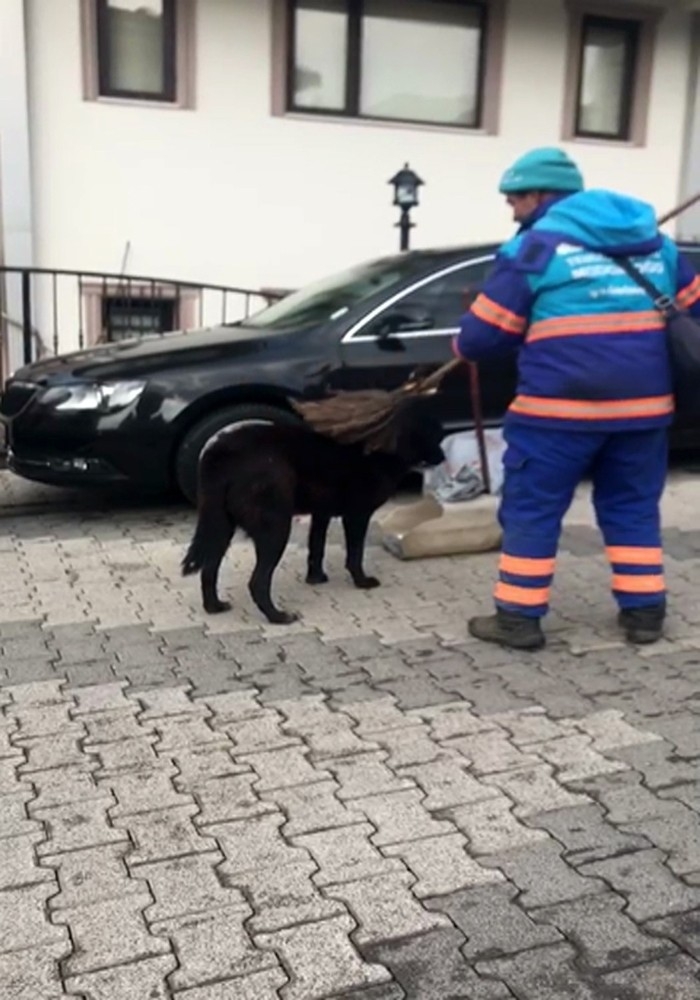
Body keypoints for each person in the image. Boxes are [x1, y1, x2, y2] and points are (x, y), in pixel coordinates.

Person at [453, 146, 700, 650]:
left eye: (514, 199)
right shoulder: (658, 247)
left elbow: (481, 339)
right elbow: (694, 310)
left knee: (532, 509)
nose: (512, 210)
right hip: (643, 415)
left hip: (555, 417)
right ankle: (644, 614)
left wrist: (464, 342)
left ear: (540, 195)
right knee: (632, 508)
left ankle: (518, 619)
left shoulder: (534, 250)